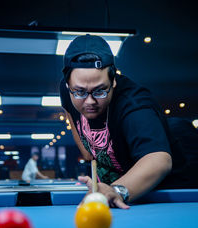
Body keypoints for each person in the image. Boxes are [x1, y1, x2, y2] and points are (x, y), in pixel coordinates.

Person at [60, 34, 187, 209]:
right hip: (116, 193)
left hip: (162, 195)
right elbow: (69, 110)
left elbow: (158, 160)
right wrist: (86, 150)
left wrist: (117, 191)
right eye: (80, 92)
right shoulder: (70, 89)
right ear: (68, 86)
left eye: (99, 91)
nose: (89, 101)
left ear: (113, 81)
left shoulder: (134, 105)